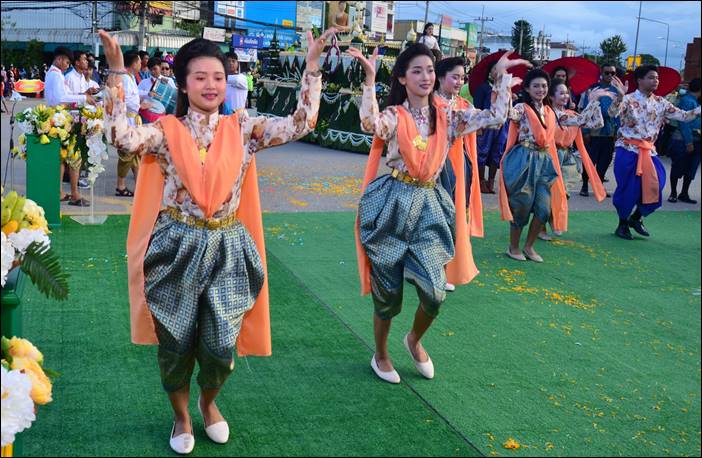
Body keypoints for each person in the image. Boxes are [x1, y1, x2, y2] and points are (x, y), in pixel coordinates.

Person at [99, 26, 334, 454]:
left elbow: (303, 123)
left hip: (228, 247)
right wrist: (117, 71)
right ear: (184, 83)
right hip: (175, 247)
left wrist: (312, 67)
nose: (211, 85)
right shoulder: (166, 130)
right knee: (175, 342)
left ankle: (209, 403)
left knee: (220, 344)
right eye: (201, 76)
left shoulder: (244, 127)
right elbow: (122, 139)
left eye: (219, 77)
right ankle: (182, 415)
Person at [349, 43, 525, 384]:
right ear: (402, 77)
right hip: (392, 204)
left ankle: (413, 339)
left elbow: (495, 117)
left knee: (435, 291)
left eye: (430, 70)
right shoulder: (394, 115)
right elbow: (370, 122)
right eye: (417, 70)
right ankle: (381, 354)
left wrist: (499, 78)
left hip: (430, 204)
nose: (426, 77)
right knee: (388, 294)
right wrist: (370, 81)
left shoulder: (449, 114)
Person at [498, 69, 612, 262]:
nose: (540, 89)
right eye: (536, 86)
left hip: (544, 162)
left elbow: (584, 121)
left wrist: (593, 101)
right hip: (524, 160)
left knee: (543, 208)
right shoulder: (522, 108)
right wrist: (505, 91)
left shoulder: (552, 112)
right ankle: (514, 247)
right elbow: (508, 114)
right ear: (527, 88)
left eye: (543, 86)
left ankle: (529, 246)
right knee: (522, 206)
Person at [607, 65, 701, 240]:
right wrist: (619, 96)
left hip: (649, 151)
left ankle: (635, 218)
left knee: (657, 184)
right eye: (651, 77)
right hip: (628, 149)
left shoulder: (661, 102)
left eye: (656, 78)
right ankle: (622, 225)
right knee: (629, 189)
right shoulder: (627, 99)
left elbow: (685, 116)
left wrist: (698, 110)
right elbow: (612, 113)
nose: (655, 81)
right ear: (640, 80)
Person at [434, 56, 483, 291]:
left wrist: (502, 90)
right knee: (431, 218)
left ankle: (442, 271)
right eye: (455, 76)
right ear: (441, 77)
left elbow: (489, 120)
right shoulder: (428, 103)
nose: (459, 81)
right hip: (432, 165)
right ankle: (423, 268)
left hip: (457, 165)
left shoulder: (465, 105)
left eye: (462, 77)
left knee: (450, 218)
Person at [538, 78, 609, 240]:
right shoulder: (547, 114)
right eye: (561, 93)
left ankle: (553, 219)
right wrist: (591, 101)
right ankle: (542, 226)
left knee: (564, 193)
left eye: (566, 93)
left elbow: (597, 123)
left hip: (567, 157)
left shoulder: (571, 114)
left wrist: (596, 104)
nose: (565, 96)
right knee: (546, 193)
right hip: (550, 156)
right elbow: (581, 120)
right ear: (552, 96)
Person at [44, 47, 95, 206]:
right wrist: (83, 99)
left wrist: (82, 96)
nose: (68, 65)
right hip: (62, 119)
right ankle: (74, 194)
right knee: (74, 157)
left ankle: (61, 192)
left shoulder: (55, 74)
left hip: (60, 118)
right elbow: (61, 97)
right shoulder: (56, 75)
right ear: (59, 60)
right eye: (66, 61)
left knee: (63, 159)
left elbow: (65, 95)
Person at [578, 63, 620, 197]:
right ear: (601, 73)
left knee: (605, 161)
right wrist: (585, 132)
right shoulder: (592, 89)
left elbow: (619, 112)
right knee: (590, 160)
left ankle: (600, 186)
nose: (610, 75)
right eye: (607, 72)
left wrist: (617, 131)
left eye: (613, 73)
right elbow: (585, 110)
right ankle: (585, 185)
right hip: (594, 130)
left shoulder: (617, 91)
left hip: (609, 131)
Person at [473, 59, 509, 194]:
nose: (497, 72)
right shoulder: (483, 88)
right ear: (489, 72)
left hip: (501, 126)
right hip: (485, 125)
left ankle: (491, 181)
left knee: (497, 152)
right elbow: (477, 107)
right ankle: (481, 181)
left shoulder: (506, 89)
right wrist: (478, 127)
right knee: (482, 152)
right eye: (495, 69)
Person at [114, 51, 144, 197]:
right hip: (127, 119)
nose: (140, 64)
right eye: (139, 61)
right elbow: (124, 99)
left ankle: (139, 183)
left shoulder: (131, 77)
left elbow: (134, 96)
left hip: (134, 119)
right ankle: (120, 185)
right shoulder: (125, 78)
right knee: (126, 153)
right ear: (133, 63)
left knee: (136, 153)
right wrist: (140, 106)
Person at [668, 78, 701, 204]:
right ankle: (674, 193)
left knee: (691, 168)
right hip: (684, 139)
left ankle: (683, 193)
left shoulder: (694, 101)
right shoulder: (688, 101)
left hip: (696, 139)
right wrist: (689, 142)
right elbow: (684, 123)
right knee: (678, 166)